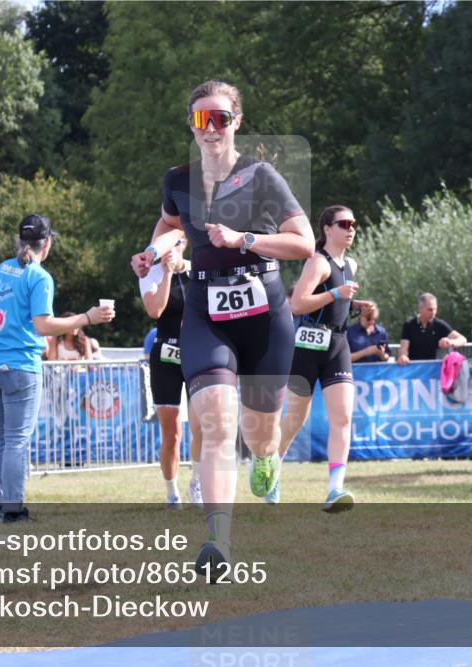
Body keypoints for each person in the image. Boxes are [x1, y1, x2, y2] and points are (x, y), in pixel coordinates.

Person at [129, 80, 314, 573]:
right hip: (206, 314)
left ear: (236, 122)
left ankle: (269, 457)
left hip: (264, 315)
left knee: (259, 435)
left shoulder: (262, 176)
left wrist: (245, 238)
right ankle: (219, 543)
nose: (210, 129)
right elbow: (169, 229)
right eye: (200, 119)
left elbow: (305, 244)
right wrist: (153, 256)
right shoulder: (176, 180)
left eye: (221, 118)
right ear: (191, 125)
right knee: (214, 424)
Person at [0, 214, 114, 527]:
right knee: (15, 441)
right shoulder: (39, 276)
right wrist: (87, 318)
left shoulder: (0, 270)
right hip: (19, 368)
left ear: (19, 241)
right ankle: (12, 512)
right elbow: (43, 326)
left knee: (0, 438)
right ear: (48, 243)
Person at [274, 205, 370, 511]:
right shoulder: (318, 262)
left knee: (343, 418)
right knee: (294, 420)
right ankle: (271, 468)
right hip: (307, 348)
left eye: (353, 223)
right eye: (344, 223)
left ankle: (335, 489)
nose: (351, 228)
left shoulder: (351, 263)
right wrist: (336, 295)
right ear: (327, 229)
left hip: (338, 344)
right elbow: (298, 304)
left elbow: (338, 302)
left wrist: (353, 305)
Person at [139, 241, 203, 508]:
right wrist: (167, 273)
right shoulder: (150, 274)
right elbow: (155, 310)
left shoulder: (198, 271)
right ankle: (171, 491)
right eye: (164, 245)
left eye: (175, 243)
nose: (170, 249)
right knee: (172, 434)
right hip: (165, 354)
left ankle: (197, 484)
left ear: (185, 244)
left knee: (201, 428)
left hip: (198, 353)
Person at [396, 293, 466, 364]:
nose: (433, 312)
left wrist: (450, 342)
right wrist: (403, 356)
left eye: (435, 309)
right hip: (414, 369)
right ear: (420, 308)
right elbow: (404, 348)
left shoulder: (439, 324)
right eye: (430, 309)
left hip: (433, 369)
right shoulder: (409, 324)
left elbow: (462, 339)